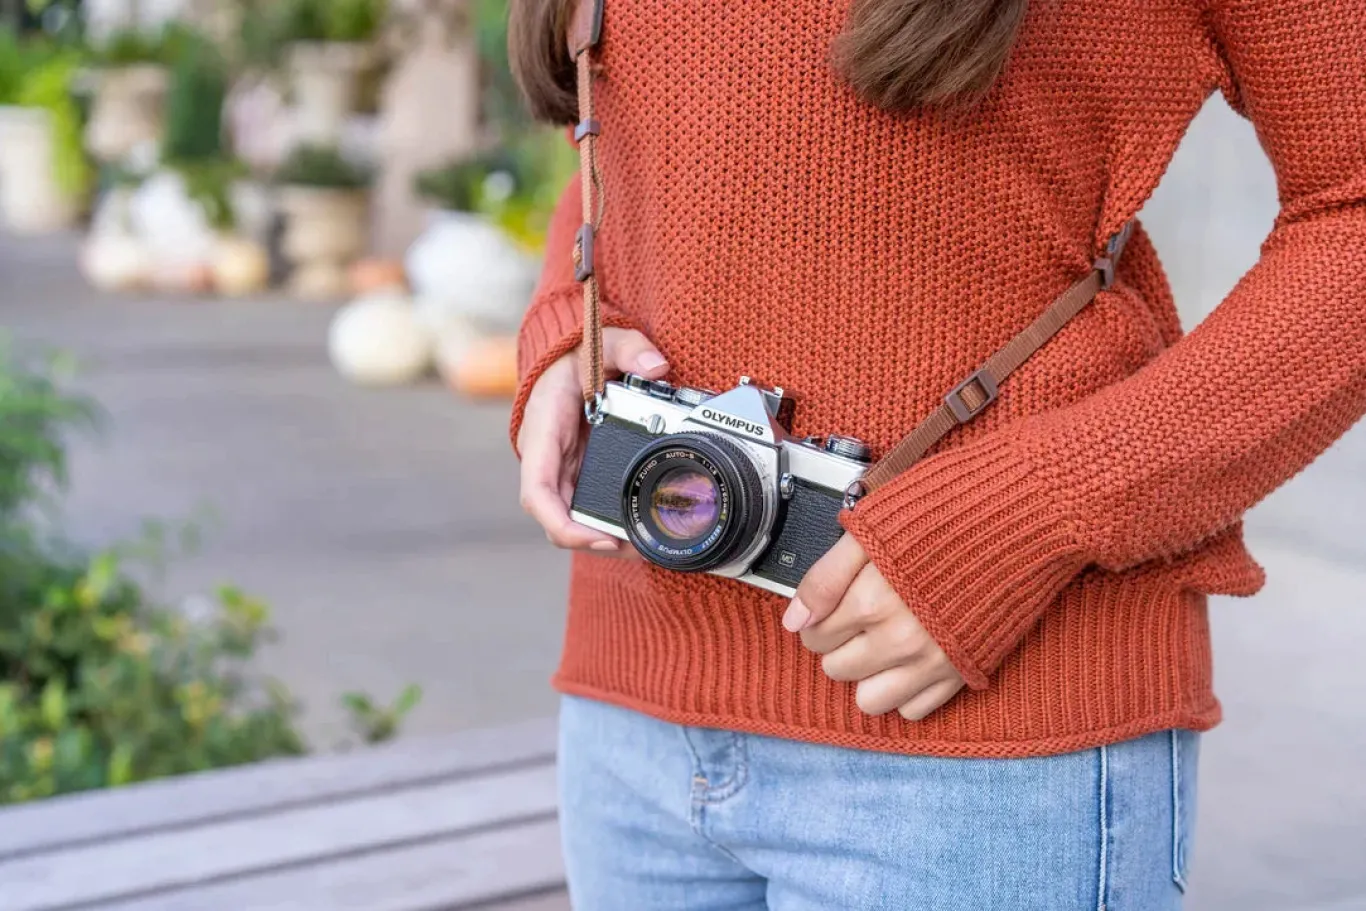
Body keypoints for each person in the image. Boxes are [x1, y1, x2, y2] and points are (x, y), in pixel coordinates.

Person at [507, 0, 1366, 907]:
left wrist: (1026, 512)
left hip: (988, 750)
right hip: (629, 700)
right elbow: (620, 129)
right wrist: (570, 321)